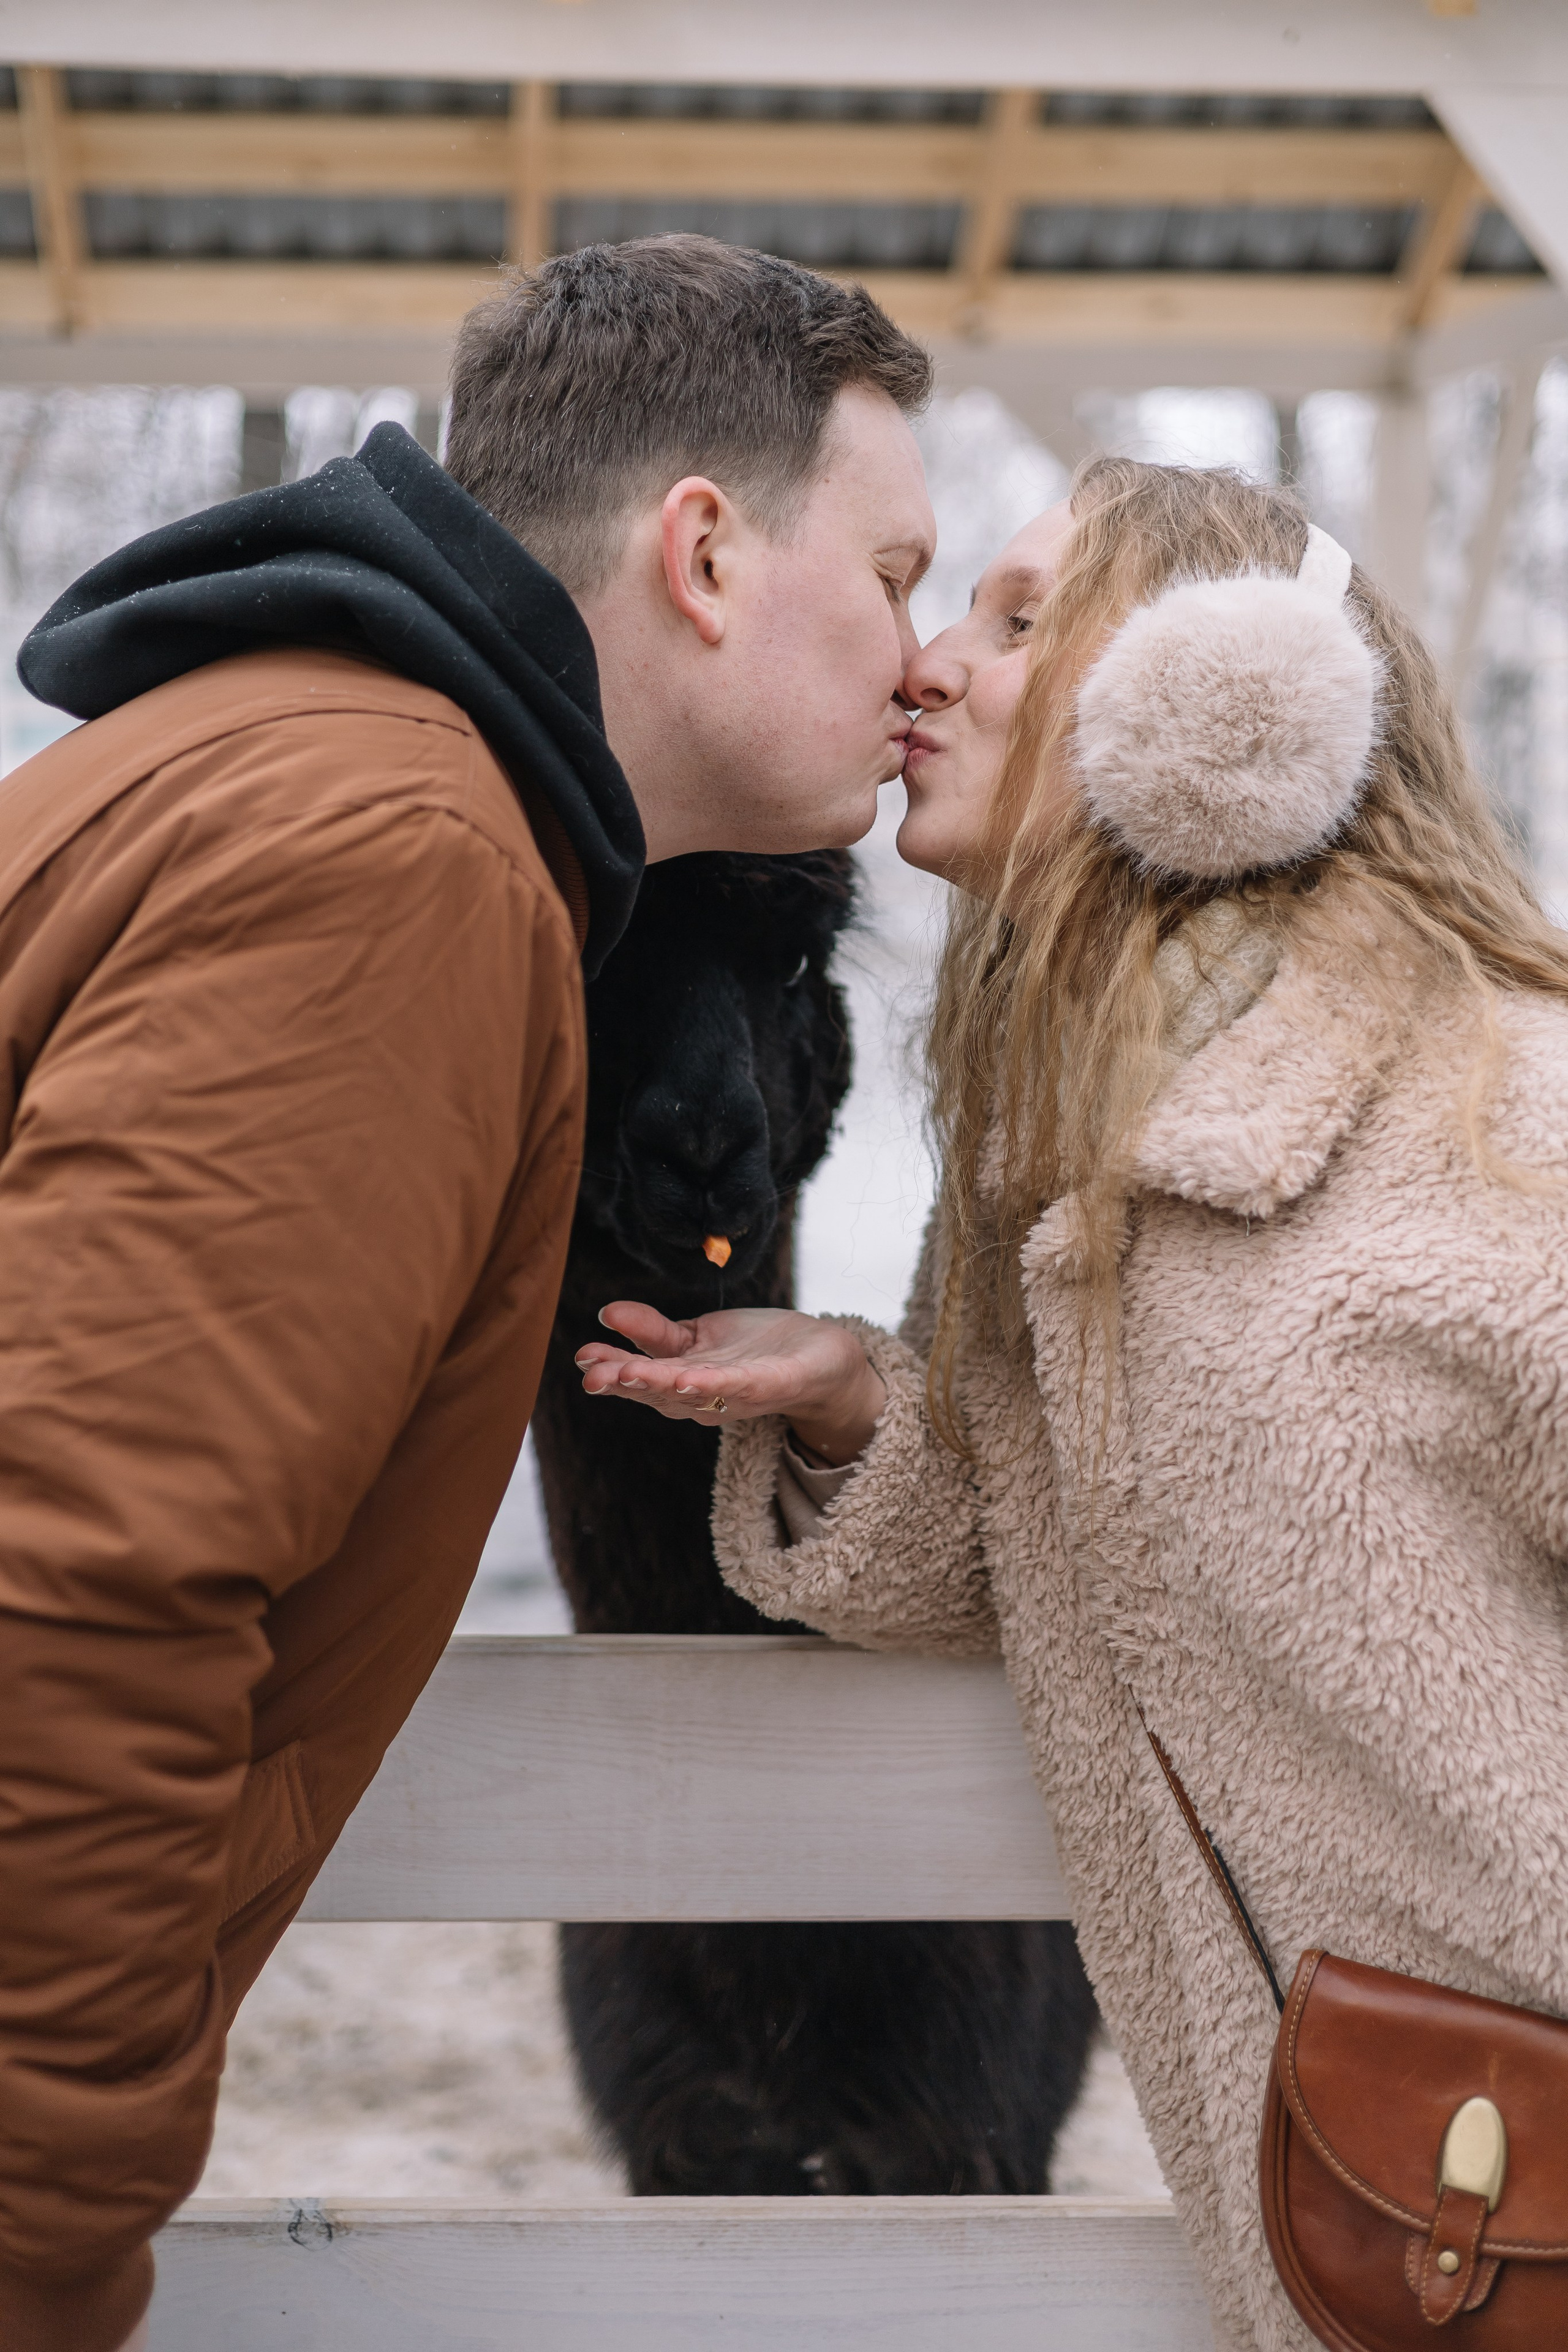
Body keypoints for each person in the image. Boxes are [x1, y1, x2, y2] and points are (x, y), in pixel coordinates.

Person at [0, 234, 935, 2352]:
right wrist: (45, 2252)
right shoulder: (396, 861)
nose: (921, 655)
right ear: (703, 555)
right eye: (891, 572)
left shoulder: (302, 759)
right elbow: (78, 1601)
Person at [578, 458, 1568, 2350]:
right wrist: (874, 1402)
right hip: (1390, 2220)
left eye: (1017, 619)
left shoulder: (1502, 1127)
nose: (926, 669)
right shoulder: (1063, 1181)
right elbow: (1096, 1567)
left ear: (1232, 705)